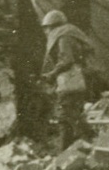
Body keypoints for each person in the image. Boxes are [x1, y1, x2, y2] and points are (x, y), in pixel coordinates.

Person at [40, 9, 95, 150]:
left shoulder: (62, 35)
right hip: (78, 79)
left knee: (64, 117)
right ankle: (88, 143)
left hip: (69, 81)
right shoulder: (72, 32)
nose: (46, 32)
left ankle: (66, 150)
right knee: (73, 116)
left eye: (46, 28)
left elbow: (66, 60)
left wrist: (52, 74)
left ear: (51, 26)